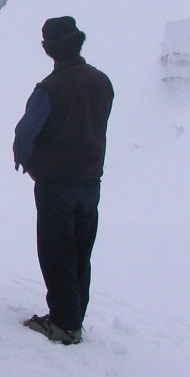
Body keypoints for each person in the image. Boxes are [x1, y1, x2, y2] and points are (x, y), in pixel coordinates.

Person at [14, 17, 114, 345]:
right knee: (80, 252)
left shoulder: (49, 89)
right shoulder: (101, 81)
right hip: (90, 180)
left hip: (55, 183)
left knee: (56, 252)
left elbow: (27, 132)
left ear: (48, 48)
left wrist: (25, 159)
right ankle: (74, 318)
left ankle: (62, 323)